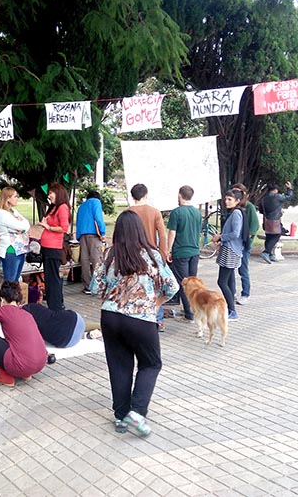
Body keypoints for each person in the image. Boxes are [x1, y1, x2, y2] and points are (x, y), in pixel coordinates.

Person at [91, 211, 178, 438]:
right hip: (141, 319)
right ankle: (137, 413)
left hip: (110, 317)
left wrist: (114, 298)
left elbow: (95, 288)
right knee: (150, 364)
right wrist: (155, 304)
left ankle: (121, 416)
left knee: (119, 366)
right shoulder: (152, 255)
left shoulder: (109, 254)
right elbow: (172, 287)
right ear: (140, 229)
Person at [0, 281, 48, 387]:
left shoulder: (2, 310)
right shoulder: (27, 314)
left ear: (1, 300)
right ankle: (26, 375)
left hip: (21, 365)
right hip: (40, 363)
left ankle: (6, 376)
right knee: (15, 342)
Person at [127, 183, 168, 331]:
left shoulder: (128, 212)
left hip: (132, 255)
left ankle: (136, 316)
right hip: (151, 254)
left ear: (132, 196)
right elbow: (162, 235)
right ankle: (158, 319)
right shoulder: (155, 212)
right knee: (155, 287)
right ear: (146, 195)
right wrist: (163, 254)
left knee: (134, 285)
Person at [166, 185, 202, 323]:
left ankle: (189, 314)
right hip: (195, 251)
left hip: (181, 252)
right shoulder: (197, 213)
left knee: (183, 283)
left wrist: (168, 250)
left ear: (180, 195)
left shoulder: (176, 212)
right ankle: (193, 309)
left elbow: (172, 233)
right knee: (193, 283)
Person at [212, 190, 247, 320]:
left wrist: (220, 237)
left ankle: (232, 310)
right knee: (230, 280)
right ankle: (230, 308)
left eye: (230, 200)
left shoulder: (236, 213)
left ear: (237, 201)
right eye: (226, 199)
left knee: (222, 281)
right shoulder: (235, 212)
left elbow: (235, 233)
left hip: (231, 251)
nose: (226, 202)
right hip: (230, 249)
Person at [37, 183, 70, 311]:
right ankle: (53, 302)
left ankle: (56, 305)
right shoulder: (53, 207)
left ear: (58, 193)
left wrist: (49, 227)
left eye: (51, 193)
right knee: (49, 277)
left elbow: (64, 228)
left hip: (53, 247)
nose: (49, 195)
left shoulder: (62, 207)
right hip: (46, 246)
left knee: (53, 278)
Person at [231, 183, 259, 305]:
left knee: (243, 269)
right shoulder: (233, 208)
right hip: (233, 244)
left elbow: (254, 226)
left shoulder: (249, 207)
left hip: (243, 244)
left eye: (239, 192)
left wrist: (247, 238)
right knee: (230, 269)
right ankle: (231, 292)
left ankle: (245, 293)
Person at [0, 187, 31, 281]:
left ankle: (13, 295)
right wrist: (22, 227)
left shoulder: (13, 211)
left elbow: (27, 224)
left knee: (16, 280)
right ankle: (7, 296)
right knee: (10, 280)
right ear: (7, 198)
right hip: (10, 250)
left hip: (20, 249)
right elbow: (21, 226)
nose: (17, 199)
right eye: (15, 196)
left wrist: (23, 228)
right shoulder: (2, 214)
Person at [22, 302, 96, 348]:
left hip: (65, 341)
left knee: (61, 326)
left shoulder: (25, 316)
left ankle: (84, 335)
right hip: (76, 320)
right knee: (63, 323)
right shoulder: (32, 307)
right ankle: (99, 326)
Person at [75, 190, 106, 295]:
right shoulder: (96, 202)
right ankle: (97, 286)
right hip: (94, 236)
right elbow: (98, 218)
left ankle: (87, 286)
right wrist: (103, 232)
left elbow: (78, 222)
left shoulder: (81, 206)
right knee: (97, 260)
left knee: (84, 261)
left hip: (82, 236)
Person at [260, 181, 293, 264]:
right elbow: (288, 197)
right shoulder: (276, 197)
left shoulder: (263, 198)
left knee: (268, 237)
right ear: (275, 190)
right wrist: (289, 188)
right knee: (276, 235)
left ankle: (270, 254)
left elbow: (261, 210)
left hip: (266, 220)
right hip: (275, 220)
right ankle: (266, 252)